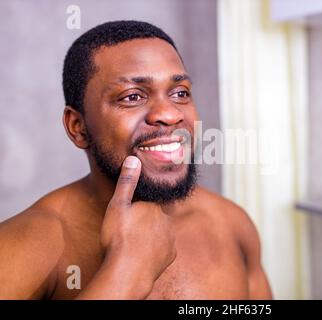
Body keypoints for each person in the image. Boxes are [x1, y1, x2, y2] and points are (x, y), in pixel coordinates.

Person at [0, 20, 272, 300]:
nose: (168, 114)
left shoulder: (231, 223)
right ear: (78, 126)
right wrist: (127, 270)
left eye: (180, 93)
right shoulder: (27, 246)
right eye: (132, 96)